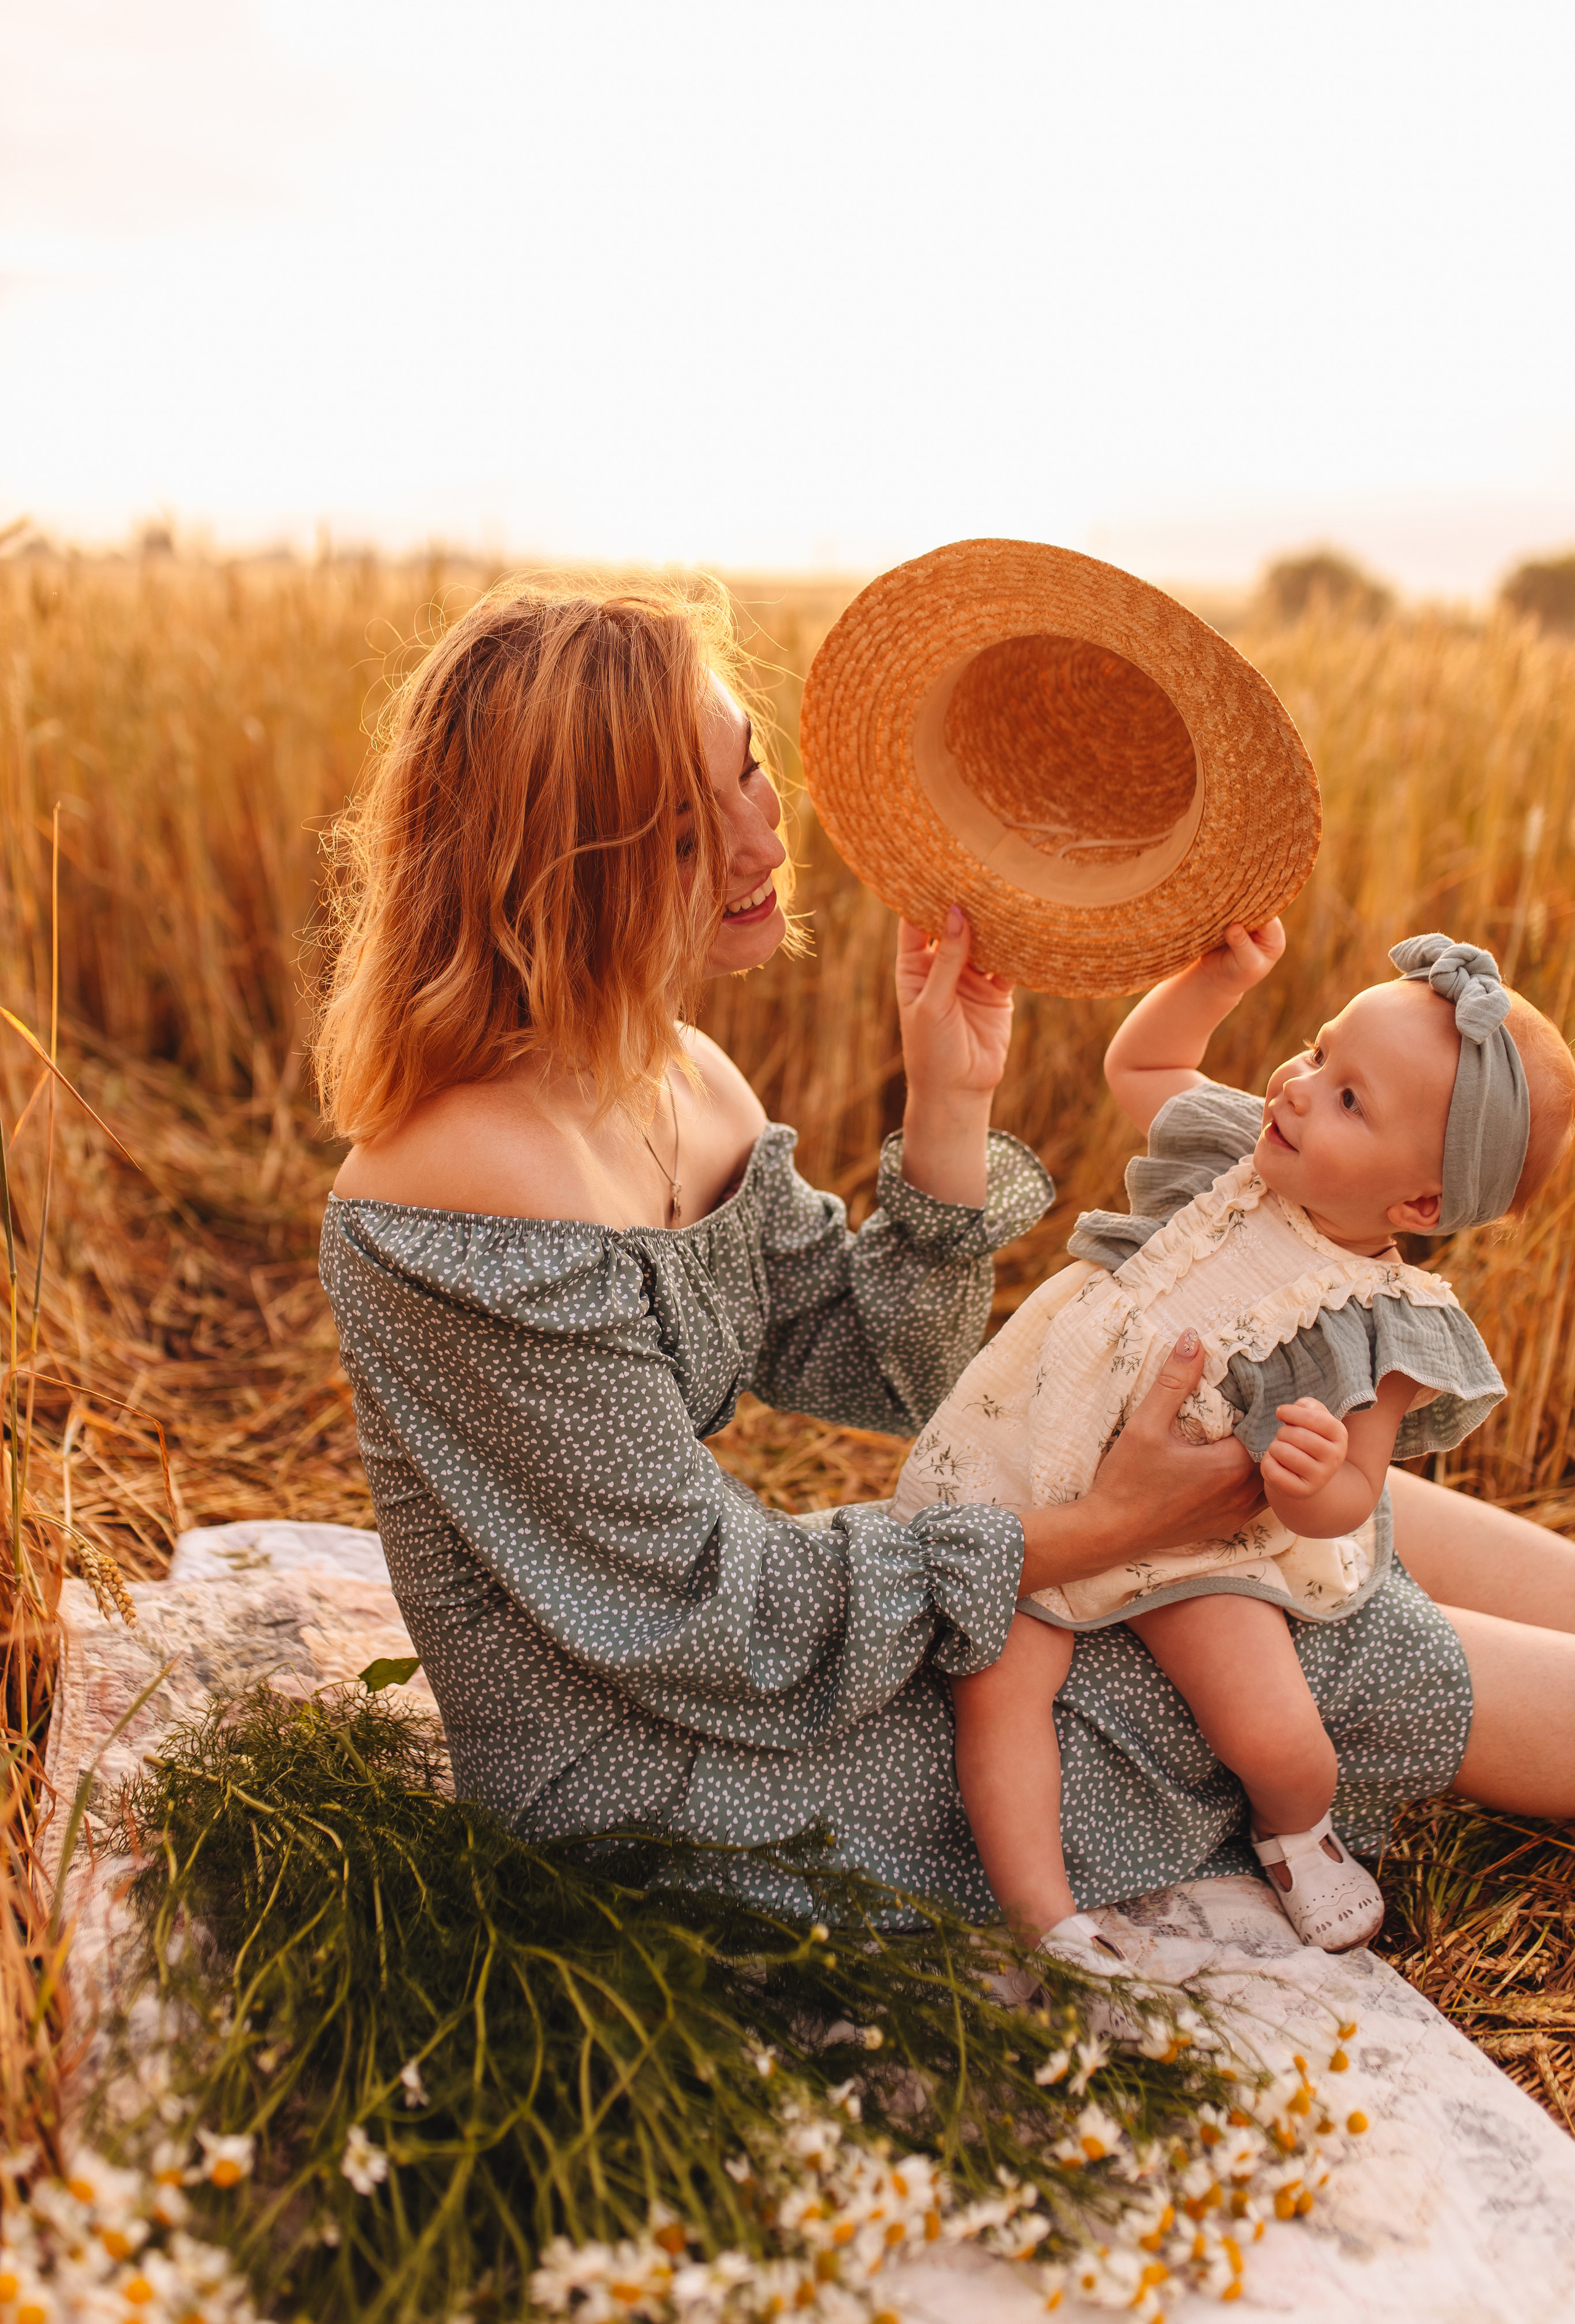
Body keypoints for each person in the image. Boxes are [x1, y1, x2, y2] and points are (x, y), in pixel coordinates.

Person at [314, 575, 1575, 1928]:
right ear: (562, 869)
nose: (764, 836)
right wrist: (1106, 1527)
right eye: (690, 830)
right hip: (665, 1765)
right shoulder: (467, 1195)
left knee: (1303, 1499)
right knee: (1308, 1641)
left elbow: (879, 1366)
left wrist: (950, 1105)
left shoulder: (673, 1071)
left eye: (750, 773)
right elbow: (710, 1619)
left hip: (728, 1660)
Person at [897, 921, 1574, 1960]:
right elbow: (1145, 1060)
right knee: (999, 1684)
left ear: (1421, 1202)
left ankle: (1296, 1832)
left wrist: (1312, 1485)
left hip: (1197, 1537)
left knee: (1275, 1733)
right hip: (1032, 1463)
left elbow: (1356, 1486)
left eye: (1350, 1099)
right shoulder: (1224, 1158)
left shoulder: (1380, 1318)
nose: (1297, 1087)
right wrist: (1212, 977)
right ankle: (1045, 1915)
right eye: (1316, 1051)